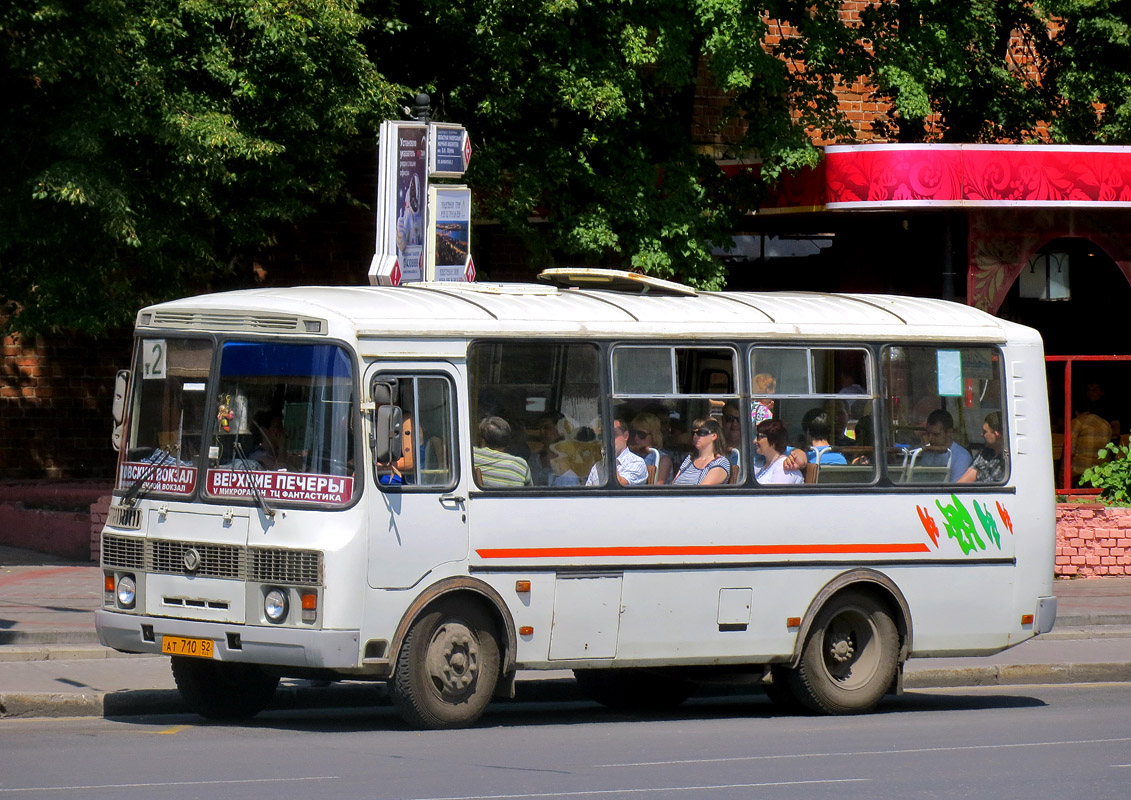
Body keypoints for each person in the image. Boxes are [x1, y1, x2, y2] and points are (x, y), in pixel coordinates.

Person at [586, 417, 648, 486]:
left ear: (626, 436)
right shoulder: (597, 467)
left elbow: (619, 486)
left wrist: (610, 454)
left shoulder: (636, 463)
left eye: (614, 434)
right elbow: (587, 493)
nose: (608, 440)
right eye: (604, 436)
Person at [473, 416, 533, 487]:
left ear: (482, 441)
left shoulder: (470, 455)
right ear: (508, 442)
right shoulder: (520, 465)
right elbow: (530, 493)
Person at [917, 409, 974, 482]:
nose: (930, 438)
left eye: (936, 434)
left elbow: (957, 489)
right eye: (928, 434)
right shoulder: (928, 453)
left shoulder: (961, 457)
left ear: (949, 432)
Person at [673, 418, 731, 485]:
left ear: (714, 436)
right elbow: (674, 484)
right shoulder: (689, 459)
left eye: (701, 432)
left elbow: (701, 491)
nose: (695, 436)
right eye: (693, 433)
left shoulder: (720, 462)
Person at [959, 412, 1007, 483]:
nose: (982, 434)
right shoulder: (985, 453)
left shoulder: (1008, 459)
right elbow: (963, 482)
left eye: (985, 432)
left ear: (996, 434)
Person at [1070, 401, 1112, 482]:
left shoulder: (1078, 421)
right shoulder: (1105, 423)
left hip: (1079, 470)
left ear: (1076, 412)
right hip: (1101, 470)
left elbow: (1070, 451)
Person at [629, 412, 674, 484]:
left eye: (641, 434)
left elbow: (657, 487)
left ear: (653, 435)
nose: (636, 438)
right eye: (634, 433)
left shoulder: (662, 459)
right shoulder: (631, 455)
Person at [755, 418, 804, 484]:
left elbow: (776, 493)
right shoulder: (763, 465)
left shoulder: (785, 467)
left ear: (773, 439)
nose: (755, 441)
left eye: (759, 436)